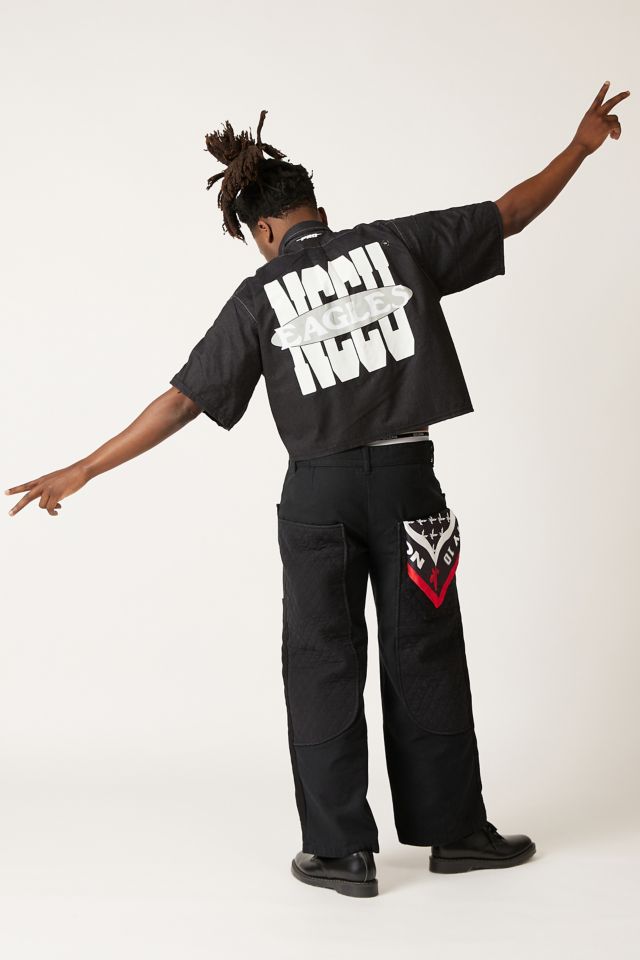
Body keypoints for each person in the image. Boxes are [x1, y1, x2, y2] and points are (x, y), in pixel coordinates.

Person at [5, 82, 630, 899]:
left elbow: (182, 401)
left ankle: (340, 854)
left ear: (262, 231)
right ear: (318, 210)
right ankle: (457, 835)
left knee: (321, 662)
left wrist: (84, 467)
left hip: (317, 500)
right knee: (426, 652)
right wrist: (579, 147)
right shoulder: (397, 246)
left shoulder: (260, 295)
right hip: (409, 486)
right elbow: (509, 213)